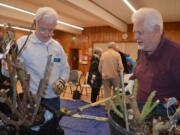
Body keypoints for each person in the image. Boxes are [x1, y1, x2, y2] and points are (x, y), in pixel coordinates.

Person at [126, 8, 180, 115]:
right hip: (139, 114)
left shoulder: (176, 54)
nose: (135, 37)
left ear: (156, 30)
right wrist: (131, 82)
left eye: (140, 32)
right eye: (134, 32)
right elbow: (137, 73)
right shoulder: (142, 50)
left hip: (163, 121)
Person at [17, 7, 70, 111]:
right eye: (42, 29)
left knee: (52, 125)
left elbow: (65, 68)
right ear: (35, 24)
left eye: (50, 30)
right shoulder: (23, 43)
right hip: (32, 98)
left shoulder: (57, 46)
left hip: (54, 98)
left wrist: (62, 80)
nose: (46, 34)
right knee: (33, 126)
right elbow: (14, 69)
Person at [99, 42, 123, 110]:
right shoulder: (117, 54)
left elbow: (99, 67)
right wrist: (118, 72)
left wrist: (102, 73)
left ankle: (107, 108)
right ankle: (115, 108)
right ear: (114, 47)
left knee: (107, 93)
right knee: (116, 93)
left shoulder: (103, 54)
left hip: (105, 77)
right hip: (115, 76)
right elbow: (120, 67)